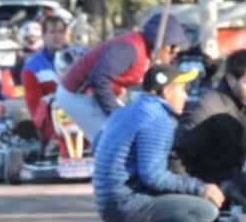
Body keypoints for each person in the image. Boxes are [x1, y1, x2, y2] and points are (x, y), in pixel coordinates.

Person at [92, 64, 225, 222]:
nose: (185, 95)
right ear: (167, 91)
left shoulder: (126, 111)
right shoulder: (158, 118)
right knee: (204, 210)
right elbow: (153, 176)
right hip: (125, 205)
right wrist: (200, 188)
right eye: (181, 89)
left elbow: (97, 145)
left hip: (107, 202)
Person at [55, 13, 187, 142]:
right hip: (78, 94)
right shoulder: (129, 49)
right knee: (115, 139)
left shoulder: (149, 53)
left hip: (99, 93)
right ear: (162, 44)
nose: (173, 54)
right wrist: (116, 114)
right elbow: (98, 78)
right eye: (172, 48)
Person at [174, 49, 246, 194]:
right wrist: (196, 190)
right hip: (205, 191)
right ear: (230, 79)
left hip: (233, 185)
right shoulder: (207, 107)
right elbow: (177, 158)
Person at [21, 15, 70, 142]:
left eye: (60, 32)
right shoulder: (32, 67)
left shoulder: (79, 57)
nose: (57, 36)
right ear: (43, 35)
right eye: (52, 32)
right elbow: (35, 107)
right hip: (53, 128)